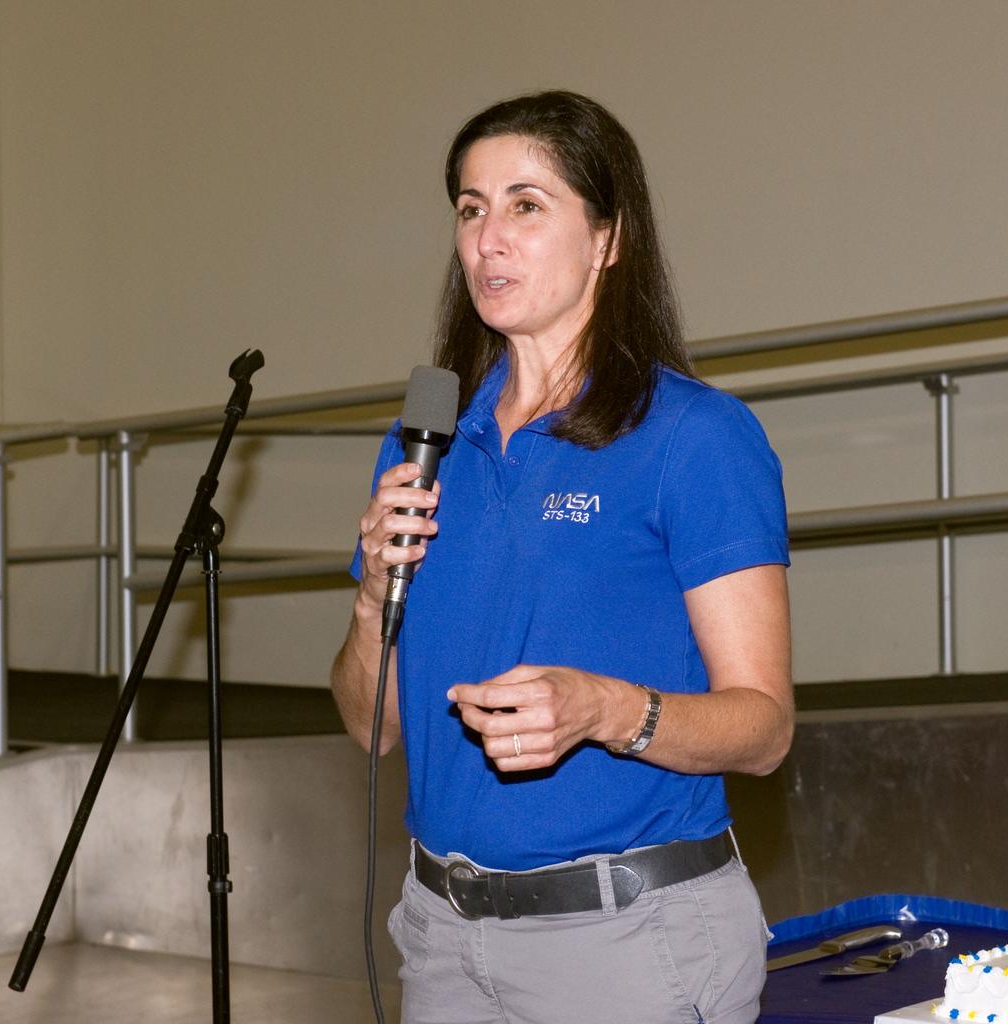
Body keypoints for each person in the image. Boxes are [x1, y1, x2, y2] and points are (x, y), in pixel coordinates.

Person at [331, 90, 793, 1024]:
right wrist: (373, 593)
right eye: (471, 208)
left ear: (609, 238)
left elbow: (764, 729)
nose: (486, 239)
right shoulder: (424, 443)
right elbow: (370, 727)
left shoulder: (694, 439)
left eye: (526, 205)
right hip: (442, 935)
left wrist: (602, 710)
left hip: (629, 945)